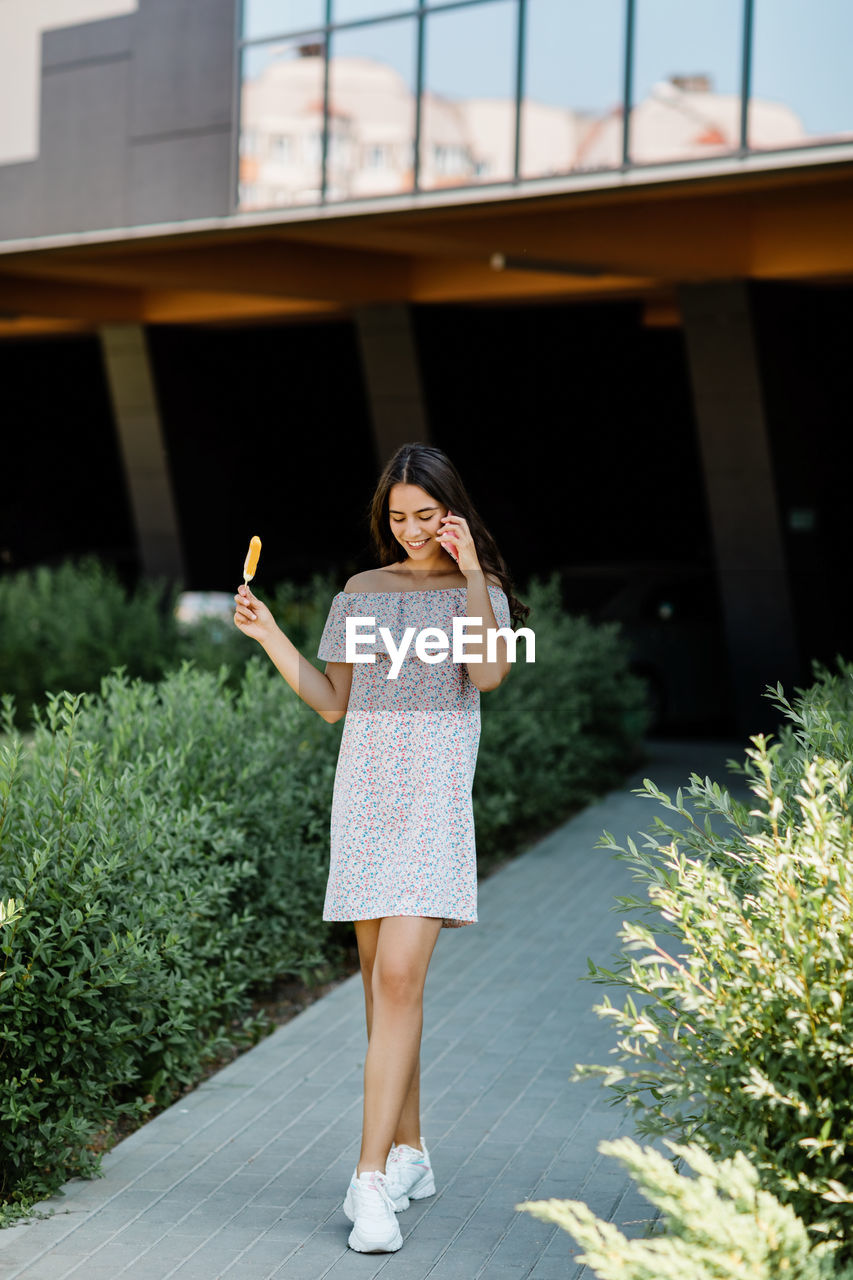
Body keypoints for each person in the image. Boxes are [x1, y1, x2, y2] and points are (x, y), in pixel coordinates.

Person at [233, 442, 529, 1254]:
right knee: (382, 993)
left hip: (433, 806)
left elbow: (490, 675)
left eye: (425, 516)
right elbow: (333, 703)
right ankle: (411, 1155)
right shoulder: (360, 594)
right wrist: (268, 638)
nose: (410, 531)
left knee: (397, 980)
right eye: (397, 518)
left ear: (452, 513)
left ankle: (368, 1182)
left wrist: (470, 576)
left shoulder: (485, 595)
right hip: (364, 804)